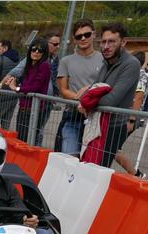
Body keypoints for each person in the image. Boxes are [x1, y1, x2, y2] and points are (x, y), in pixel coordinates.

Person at [78, 22, 140, 168]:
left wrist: (87, 103)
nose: (106, 46)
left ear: (123, 42)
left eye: (111, 41)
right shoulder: (106, 62)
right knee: (85, 164)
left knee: (98, 169)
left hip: (113, 126)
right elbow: (93, 90)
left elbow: (110, 100)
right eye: (103, 41)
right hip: (96, 123)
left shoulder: (131, 64)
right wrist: (88, 98)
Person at [1, 32, 61, 146]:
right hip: (24, 107)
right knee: (21, 139)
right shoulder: (30, 65)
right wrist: (13, 82)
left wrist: (16, 88)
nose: (36, 52)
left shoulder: (44, 65)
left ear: (44, 52)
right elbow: (22, 78)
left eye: (40, 50)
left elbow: (35, 87)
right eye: (34, 49)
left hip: (35, 109)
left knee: (29, 140)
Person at [56, 19, 105, 156]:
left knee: (90, 160)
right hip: (72, 115)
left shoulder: (104, 59)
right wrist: (81, 99)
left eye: (87, 34)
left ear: (94, 34)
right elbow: (63, 89)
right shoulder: (66, 61)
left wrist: (89, 100)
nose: (83, 38)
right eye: (79, 36)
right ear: (74, 39)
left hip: (96, 116)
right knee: (69, 156)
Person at [114, 51, 147, 178]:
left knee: (113, 149)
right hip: (124, 114)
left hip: (128, 116)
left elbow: (138, 98)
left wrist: (131, 120)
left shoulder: (140, 75)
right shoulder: (133, 73)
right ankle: (135, 173)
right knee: (112, 148)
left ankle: (136, 174)